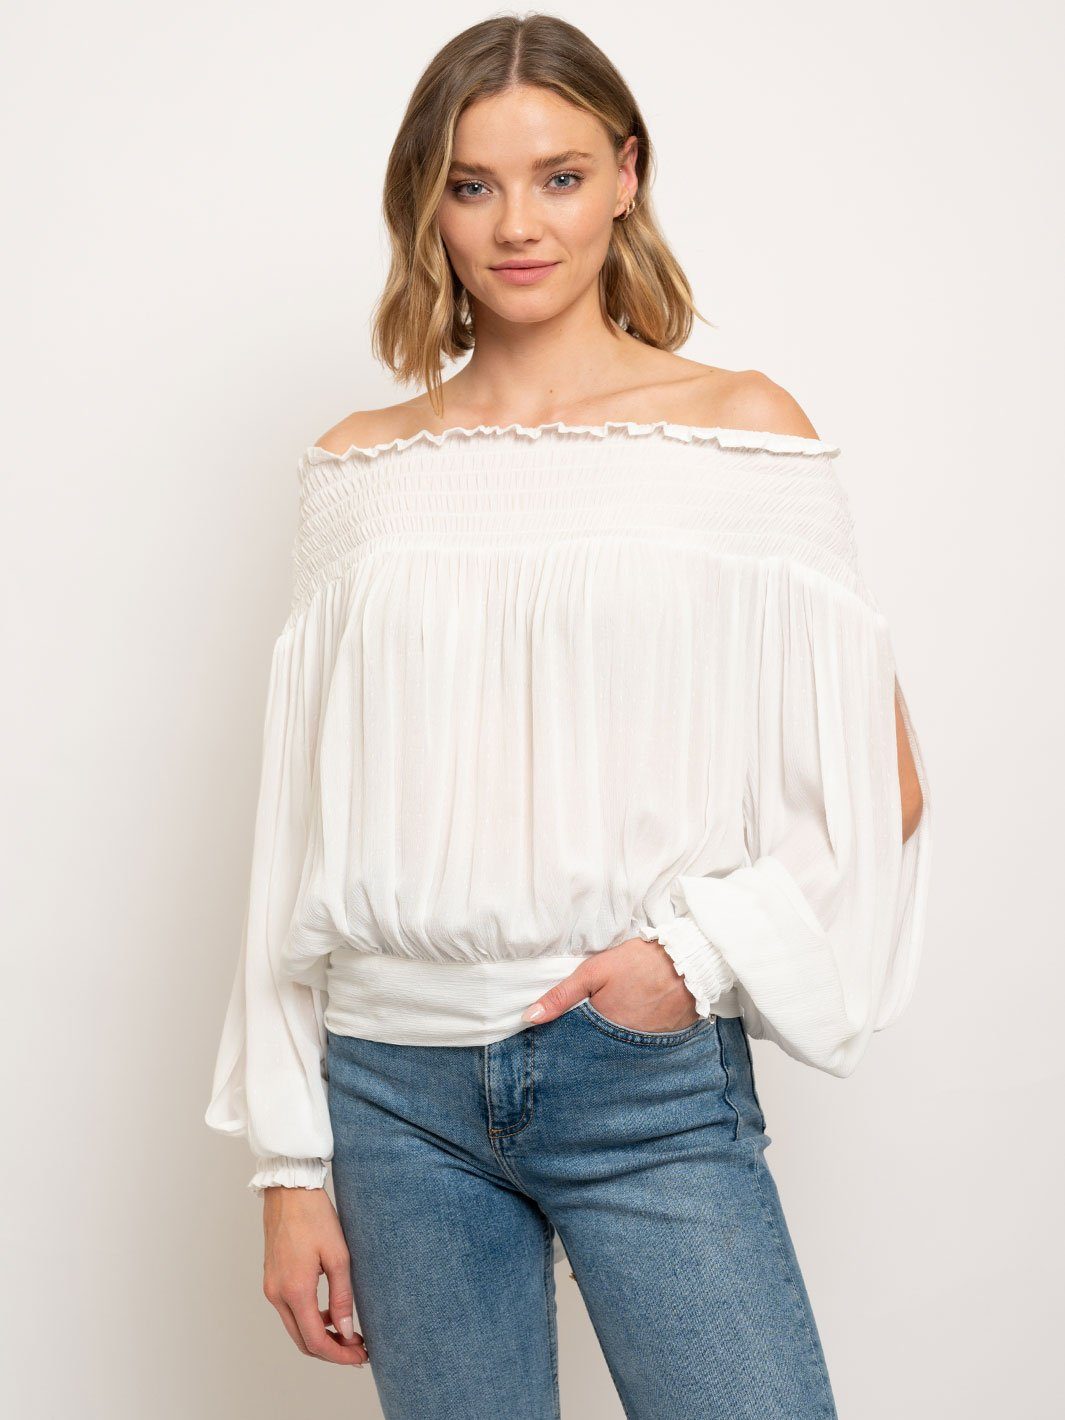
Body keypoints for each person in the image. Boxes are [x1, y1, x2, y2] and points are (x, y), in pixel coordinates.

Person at [204, 13, 931, 1419]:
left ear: (625, 177)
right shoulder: (361, 471)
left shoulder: (737, 431)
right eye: (472, 185)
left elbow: (877, 783)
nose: (518, 224)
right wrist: (288, 1169)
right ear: (426, 204)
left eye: (559, 175)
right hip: (391, 1093)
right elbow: (296, 833)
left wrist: (688, 960)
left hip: (639, 1076)